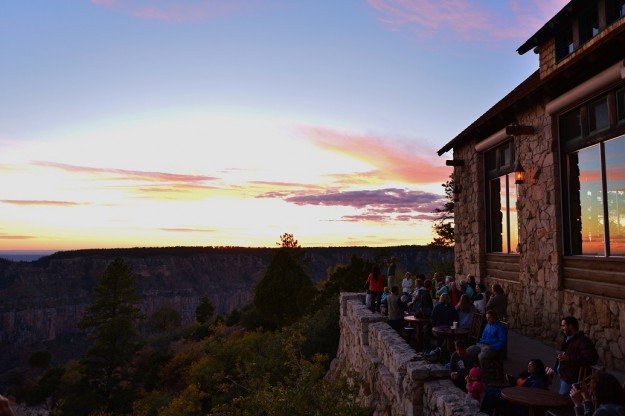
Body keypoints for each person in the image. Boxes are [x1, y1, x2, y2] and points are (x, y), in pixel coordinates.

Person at [480, 358, 550, 416]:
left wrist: (514, 394)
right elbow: (517, 382)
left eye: (531, 366)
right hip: (512, 393)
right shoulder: (527, 374)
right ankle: (483, 414)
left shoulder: (537, 381)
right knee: (490, 390)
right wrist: (512, 379)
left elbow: (529, 394)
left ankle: (485, 414)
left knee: (492, 395)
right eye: (528, 364)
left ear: (538, 369)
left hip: (516, 401)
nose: (528, 366)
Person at [556, 316, 599, 395]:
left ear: (570, 326)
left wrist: (569, 358)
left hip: (572, 379)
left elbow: (592, 359)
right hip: (565, 376)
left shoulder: (583, 341)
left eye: (563, 325)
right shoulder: (568, 339)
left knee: (563, 401)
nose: (562, 328)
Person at [467, 309, 507, 381]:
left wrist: (490, 346)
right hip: (483, 344)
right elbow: (483, 337)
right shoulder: (487, 325)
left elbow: (502, 342)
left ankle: (484, 377)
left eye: (489, 317)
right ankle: (472, 373)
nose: (487, 319)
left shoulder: (500, 327)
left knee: (482, 356)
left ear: (494, 318)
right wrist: (482, 343)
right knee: (468, 351)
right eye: (487, 317)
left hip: (494, 348)